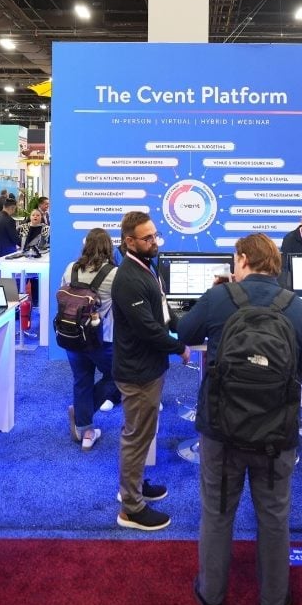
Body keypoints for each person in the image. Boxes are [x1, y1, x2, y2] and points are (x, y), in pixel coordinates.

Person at [176, 233, 302, 605]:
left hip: (221, 429)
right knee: (274, 516)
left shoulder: (220, 297)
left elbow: (185, 334)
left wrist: (212, 300)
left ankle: (211, 599)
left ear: (242, 259)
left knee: (217, 511)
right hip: (277, 433)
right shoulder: (298, 308)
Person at [111, 211, 189, 531]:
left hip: (148, 366)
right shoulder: (128, 277)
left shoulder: (147, 266)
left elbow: (162, 310)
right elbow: (147, 330)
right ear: (129, 241)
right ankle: (130, 508)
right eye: (147, 238)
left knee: (142, 433)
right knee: (136, 435)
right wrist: (180, 347)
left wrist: (186, 328)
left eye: (155, 235)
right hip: (137, 370)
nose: (154, 242)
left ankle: (136, 486)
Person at [63, 229, 120, 450]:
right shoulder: (114, 274)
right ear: (109, 247)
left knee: (82, 379)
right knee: (118, 374)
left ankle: (84, 430)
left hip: (72, 335)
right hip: (102, 339)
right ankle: (82, 414)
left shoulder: (71, 268)